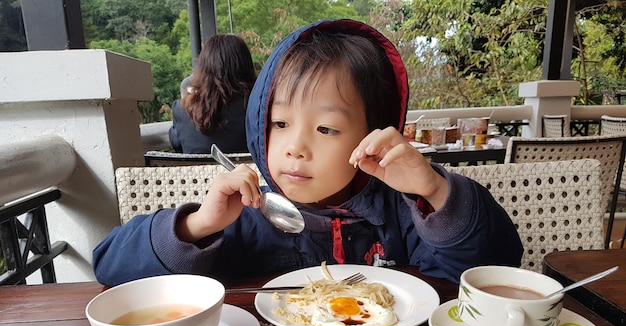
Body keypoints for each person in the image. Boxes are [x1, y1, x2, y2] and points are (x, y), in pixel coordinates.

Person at [94, 19, 522, 287]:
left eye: (326, 128)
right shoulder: (247, 214)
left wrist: (435, 190)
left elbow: (489, 269)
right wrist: (199, 224)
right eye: (279, 124)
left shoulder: (403, 213)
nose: (295, 147)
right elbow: (110, 267)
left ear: (371, 136)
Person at [168, 34, 256, 154]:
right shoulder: (258, 108)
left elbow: (176, 142)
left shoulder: (182, 110)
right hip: (249, 172)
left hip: (197, 173)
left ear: (203, 68)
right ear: (246, 66)